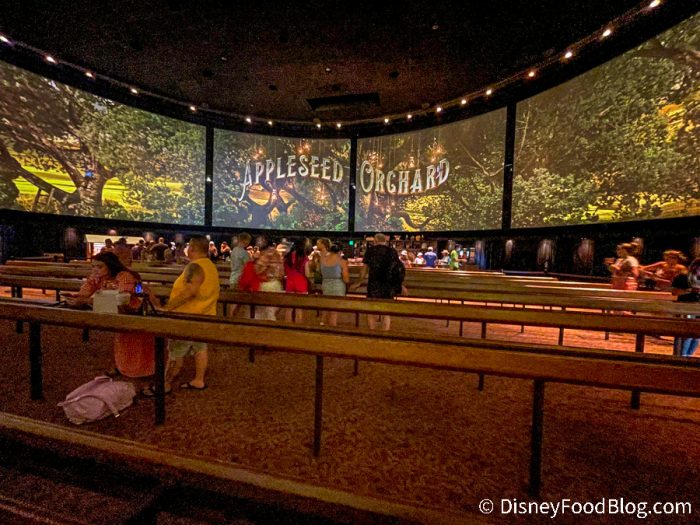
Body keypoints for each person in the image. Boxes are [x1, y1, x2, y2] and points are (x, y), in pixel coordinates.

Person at [146, 236, 220, 394]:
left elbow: (189, 291)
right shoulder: (209, 265)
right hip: (204, 316)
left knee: (176, 352)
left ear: (192, 248)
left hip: (186, 317)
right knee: (200, 348)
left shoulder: (195, 267)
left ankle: (164, 385)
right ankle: (199, 380)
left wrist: (167, 308)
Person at [65, 251, 155, 378]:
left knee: (137, 342)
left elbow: (124, 297)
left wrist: (87, 300)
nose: (95, 269)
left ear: (110, 266)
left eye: (100, 266)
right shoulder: (98, 277)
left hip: (139, 310)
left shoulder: (125, 276)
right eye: (93, 266)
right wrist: (75, 298)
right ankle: (124, 368)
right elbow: (85, 292)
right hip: (121, 312)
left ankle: (144, 371)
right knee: (122, 340)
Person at [349, 233, 406, 331]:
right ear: (385, 241)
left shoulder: (370, 251)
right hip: (388, 285)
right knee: (386, 312)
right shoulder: (392, 251)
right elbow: (397, 269)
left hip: (374, 284)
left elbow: (364, 270)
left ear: (375, 241)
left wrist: (358, 282)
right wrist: (400, 285)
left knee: (371, 311)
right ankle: (385, 332)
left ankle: (372, 331)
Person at [671, 258, 699, 357]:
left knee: (696, 336)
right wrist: (690, 290)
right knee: (685, 334)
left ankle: (688, 357)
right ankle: (680, 357)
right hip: (685, 308)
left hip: (697, 310)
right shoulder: (683, 277)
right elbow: (674, 291)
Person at [319, 240, 349, 327]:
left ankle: (323, 323)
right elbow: (346, 279)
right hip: (338, 286)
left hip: (325, 285)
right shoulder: (342, 262)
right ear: (340, 251)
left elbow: (320, 272)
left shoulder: (323, 260)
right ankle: (332, 327)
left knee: (326, 306)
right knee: (334, 310)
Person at [253, 241, 285, 320]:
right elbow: (282, 273)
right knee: (272, 310)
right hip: (275, 284)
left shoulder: (264, 255)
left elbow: (257, 270)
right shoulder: (277, 256)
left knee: (262, 311)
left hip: (265, 284)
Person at [283, 238, 312, 323]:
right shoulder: (304, 258)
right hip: (301, 283)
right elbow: (307, 274)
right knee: (299, 308)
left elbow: (284, 271)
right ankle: (298, 326)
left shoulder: (287, 257)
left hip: (290, 282)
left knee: (288, 309)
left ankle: (287, 326)